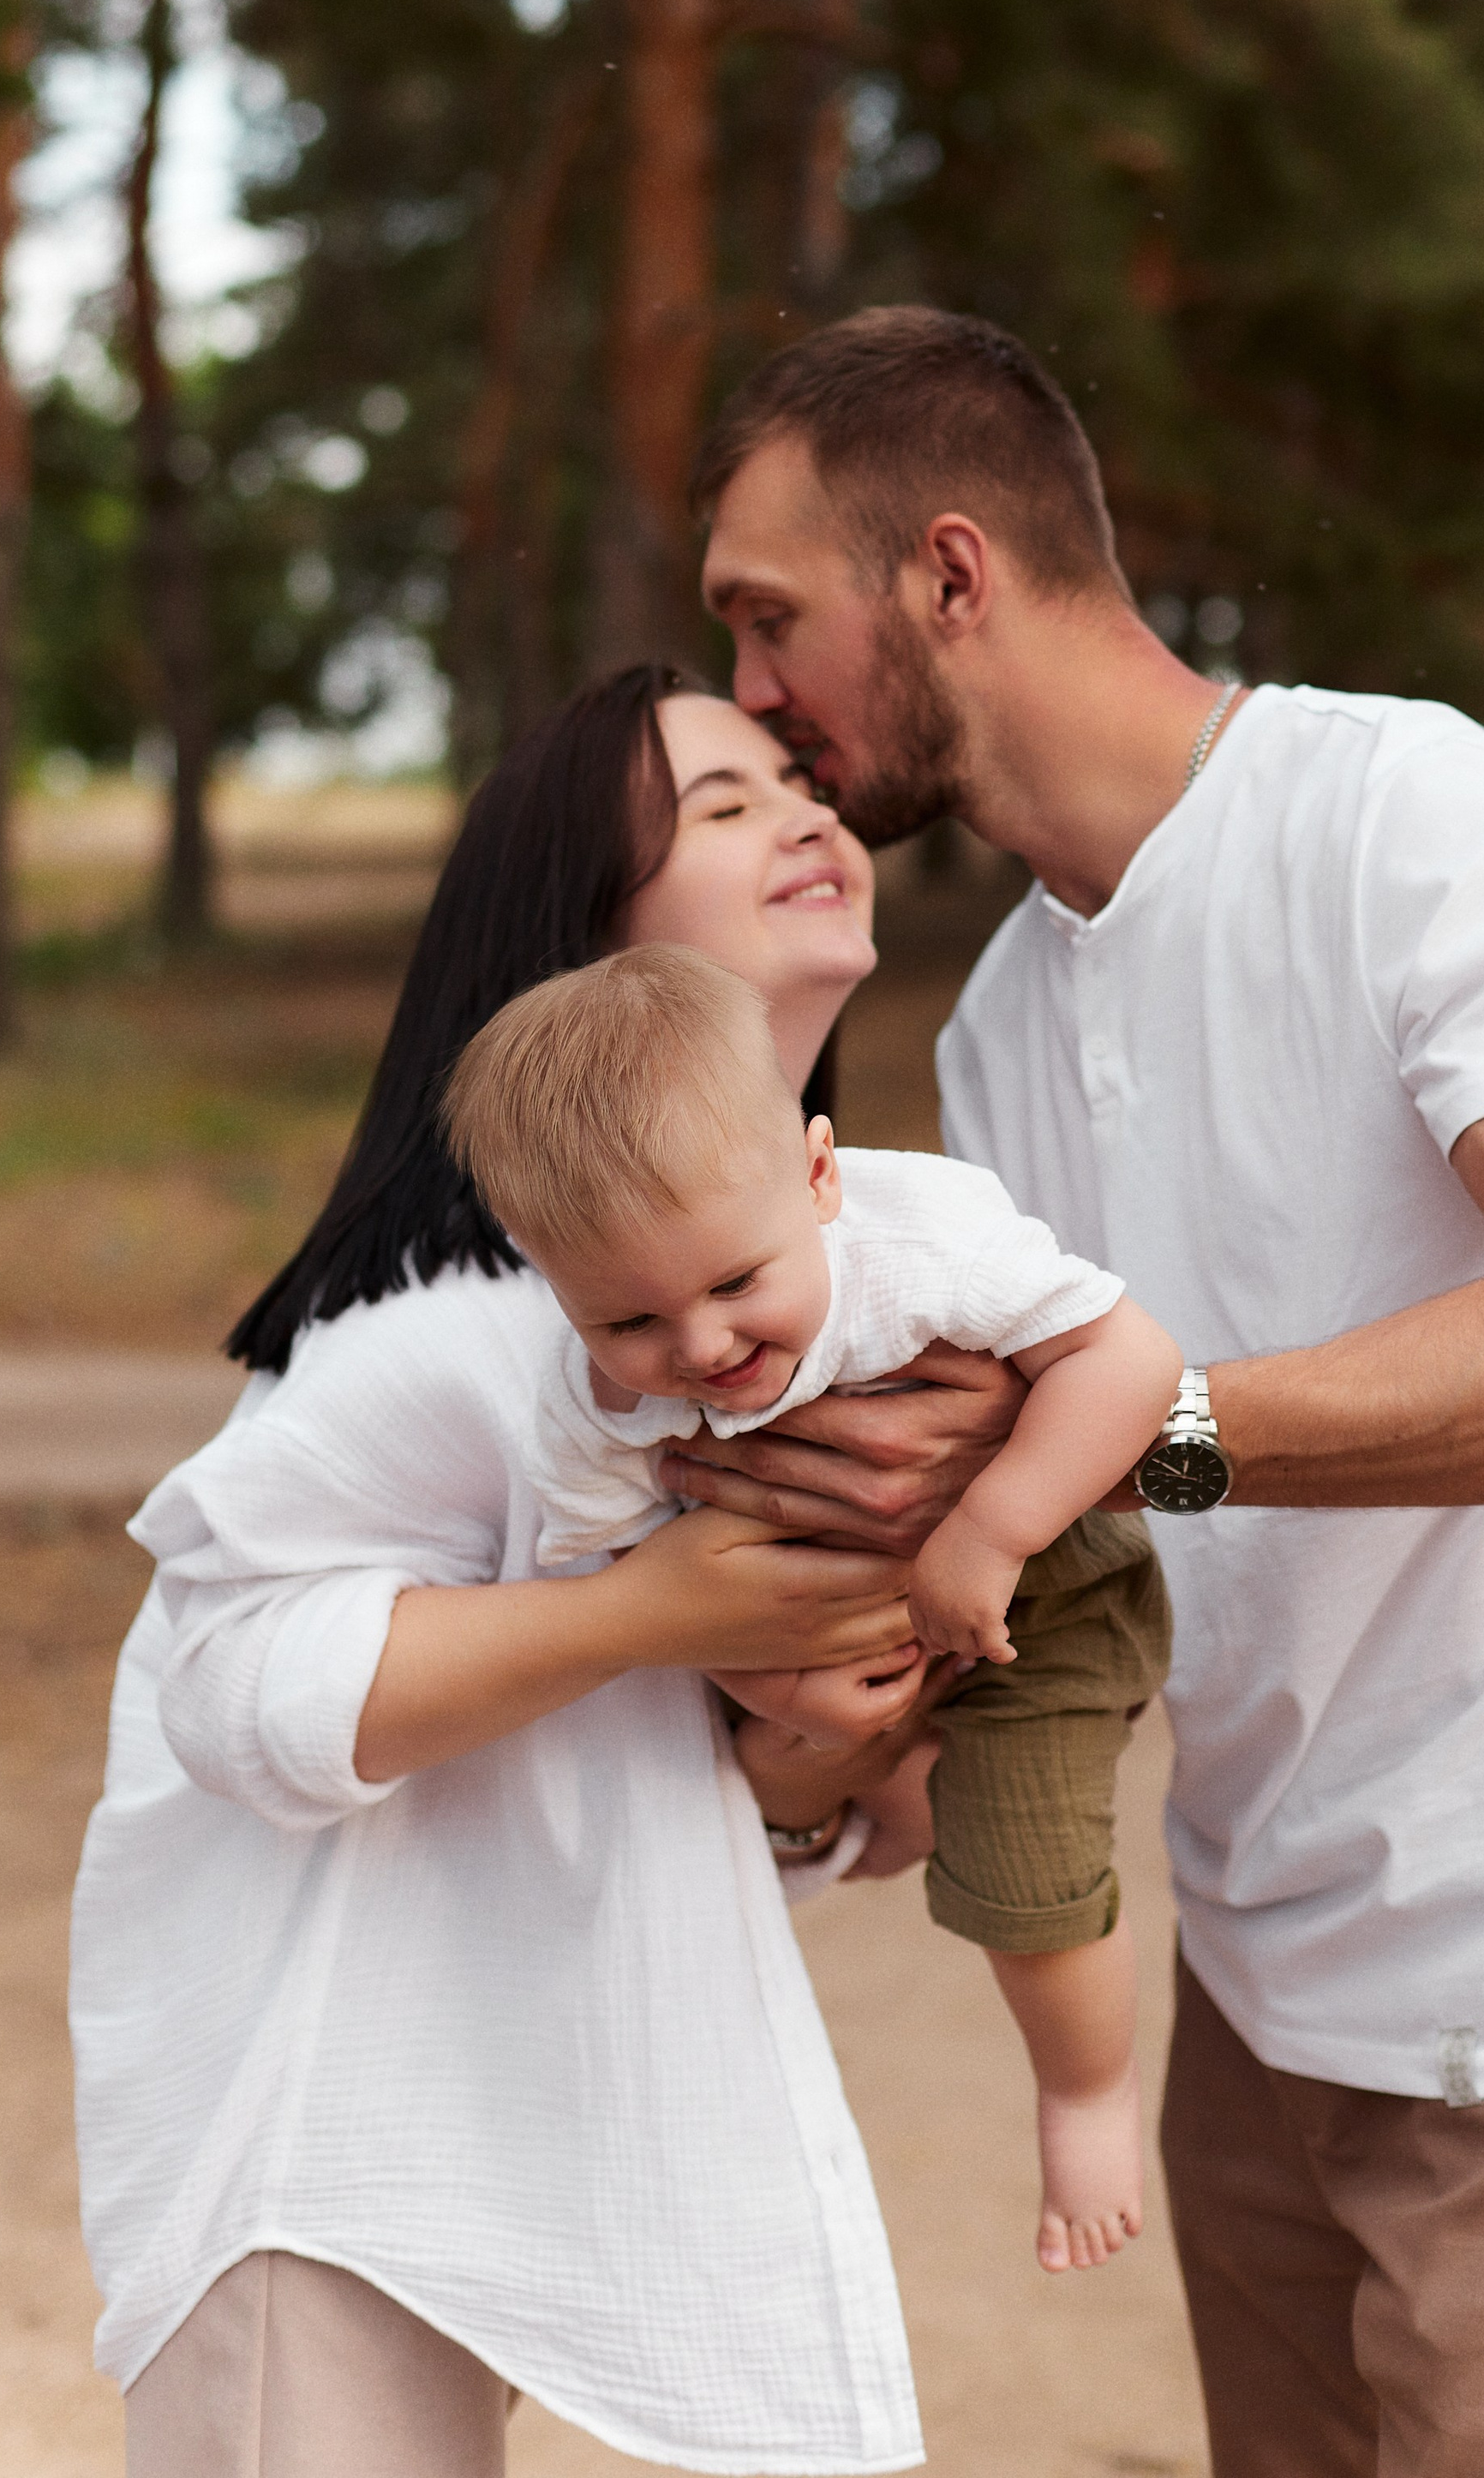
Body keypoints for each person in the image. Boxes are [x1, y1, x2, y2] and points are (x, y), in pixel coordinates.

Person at [672, 304, 1484, 2478]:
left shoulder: (1411, 817)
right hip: (1257, 1987)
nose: (747, 697)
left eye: (763, 618)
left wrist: (1144, 1437)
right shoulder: (1005, 1013)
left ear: (945, 574)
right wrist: (820, 1738)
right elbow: (1038, 1562)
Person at [69, 667, 1012, 2477]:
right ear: (584, 944)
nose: (803, 815)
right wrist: (659, 1612)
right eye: (717, 808)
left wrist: (827, 1747)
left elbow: (670, 1793)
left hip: (513, 2122)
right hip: (320, 2146)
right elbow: (230, 1694)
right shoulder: (454, 1318)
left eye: (793, 781)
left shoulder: (782, 1317)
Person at [442, 938, 1181, 2269]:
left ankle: (1086, 2095)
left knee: (1024, 1861)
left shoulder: (925, 1247)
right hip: (822, 1636)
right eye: (628, 1323)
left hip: (1046, 1588)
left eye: (736, 1283)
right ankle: (863, 1801)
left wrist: (997, 1528)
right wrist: (762, 1684)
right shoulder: (590, 1398)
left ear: (821, 1174)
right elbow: (626, 1583)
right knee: (837, 1796)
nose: (701, 1350)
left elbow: (1129, 1361)